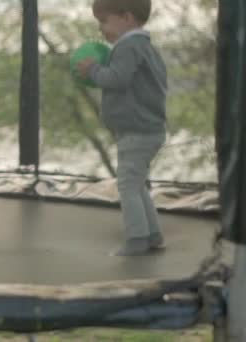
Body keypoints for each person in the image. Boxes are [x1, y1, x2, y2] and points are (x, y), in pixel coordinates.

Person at [76, 0, 167, 256]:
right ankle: (152, 235)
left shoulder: (128, 46)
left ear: (126, 17)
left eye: (104, 21)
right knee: (136, 184)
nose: (100, 29)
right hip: (147, 129)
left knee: (127, 185)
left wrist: (92, 69)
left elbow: (117, 79)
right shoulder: (145, 46)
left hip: (137, 131)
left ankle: (136, 239)